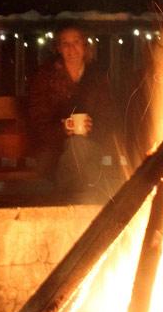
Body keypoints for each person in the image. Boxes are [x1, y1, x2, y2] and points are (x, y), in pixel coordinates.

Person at [28, 24, 119, 199]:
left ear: (85, 46)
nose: (71, 48)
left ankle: (69, 201)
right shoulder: (45, 76)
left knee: (79, 146)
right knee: (77, 149)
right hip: (53, 149)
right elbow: (37, 119)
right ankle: (81, 201)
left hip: (91, 145)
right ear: (58, 48)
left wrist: (92, 127)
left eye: (76, 42)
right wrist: (61, 129)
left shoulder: (96, 77)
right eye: (65, 43)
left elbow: (109, 116)